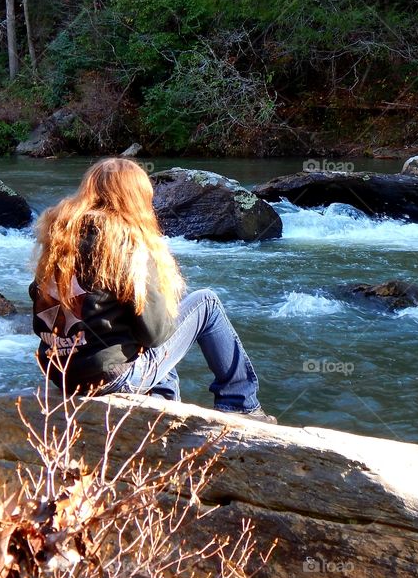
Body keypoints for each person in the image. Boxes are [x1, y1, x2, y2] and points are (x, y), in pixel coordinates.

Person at [29, 157, 276, 423]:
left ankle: (161, 401)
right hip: (111, 378)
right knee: (206, 303)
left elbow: (41, 316)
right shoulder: (125, 243)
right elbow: (156, 336)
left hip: (62, 375)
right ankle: (239, 403)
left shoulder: (59, 242)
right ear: (136, 198)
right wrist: (166, 303)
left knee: (143, 326)